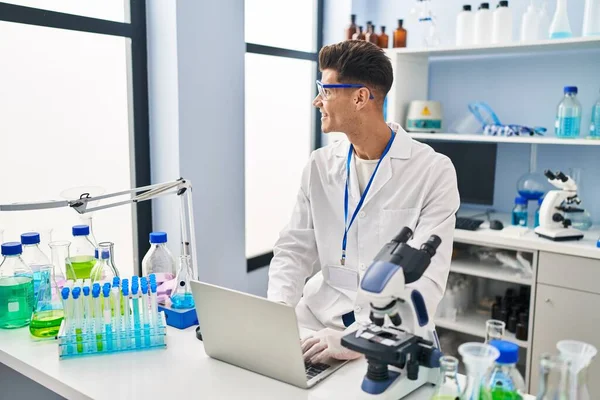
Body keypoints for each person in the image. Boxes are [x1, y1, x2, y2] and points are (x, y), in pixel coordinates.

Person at [267, 40, 460, 364]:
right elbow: (293, 250)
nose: (317, 101)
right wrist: (275, 317)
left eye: (326, 91)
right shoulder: (319, 165)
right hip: (313, 325)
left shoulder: (432, 171)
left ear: (359, 97)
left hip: (388, 335)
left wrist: (359, 339)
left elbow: (427, 279)